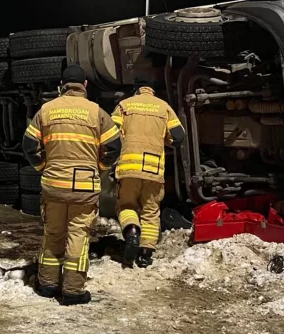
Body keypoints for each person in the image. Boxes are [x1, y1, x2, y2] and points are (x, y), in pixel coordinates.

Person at [22, 64, 121, 305]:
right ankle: (73, 291)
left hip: (53, 184)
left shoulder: (46, 110)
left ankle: (47, 285)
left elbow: (28, 145)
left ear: (62, 85)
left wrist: (42, 167)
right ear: (84, 85)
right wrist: (98, 168)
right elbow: (114, 147)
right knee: (77, 235)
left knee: (53, 233)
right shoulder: (96, 112)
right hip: (83, 187)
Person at [111, 72, 185, 268]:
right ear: (152, 90)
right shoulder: (164, 107)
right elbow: (178, 136)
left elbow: (110, 133)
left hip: (128, 168)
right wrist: (164, 141)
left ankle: (132, 232)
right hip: (153, 169)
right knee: (151, 211)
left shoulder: (124, 105)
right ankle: (145, 254)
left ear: (136, 89)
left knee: (126, 206)